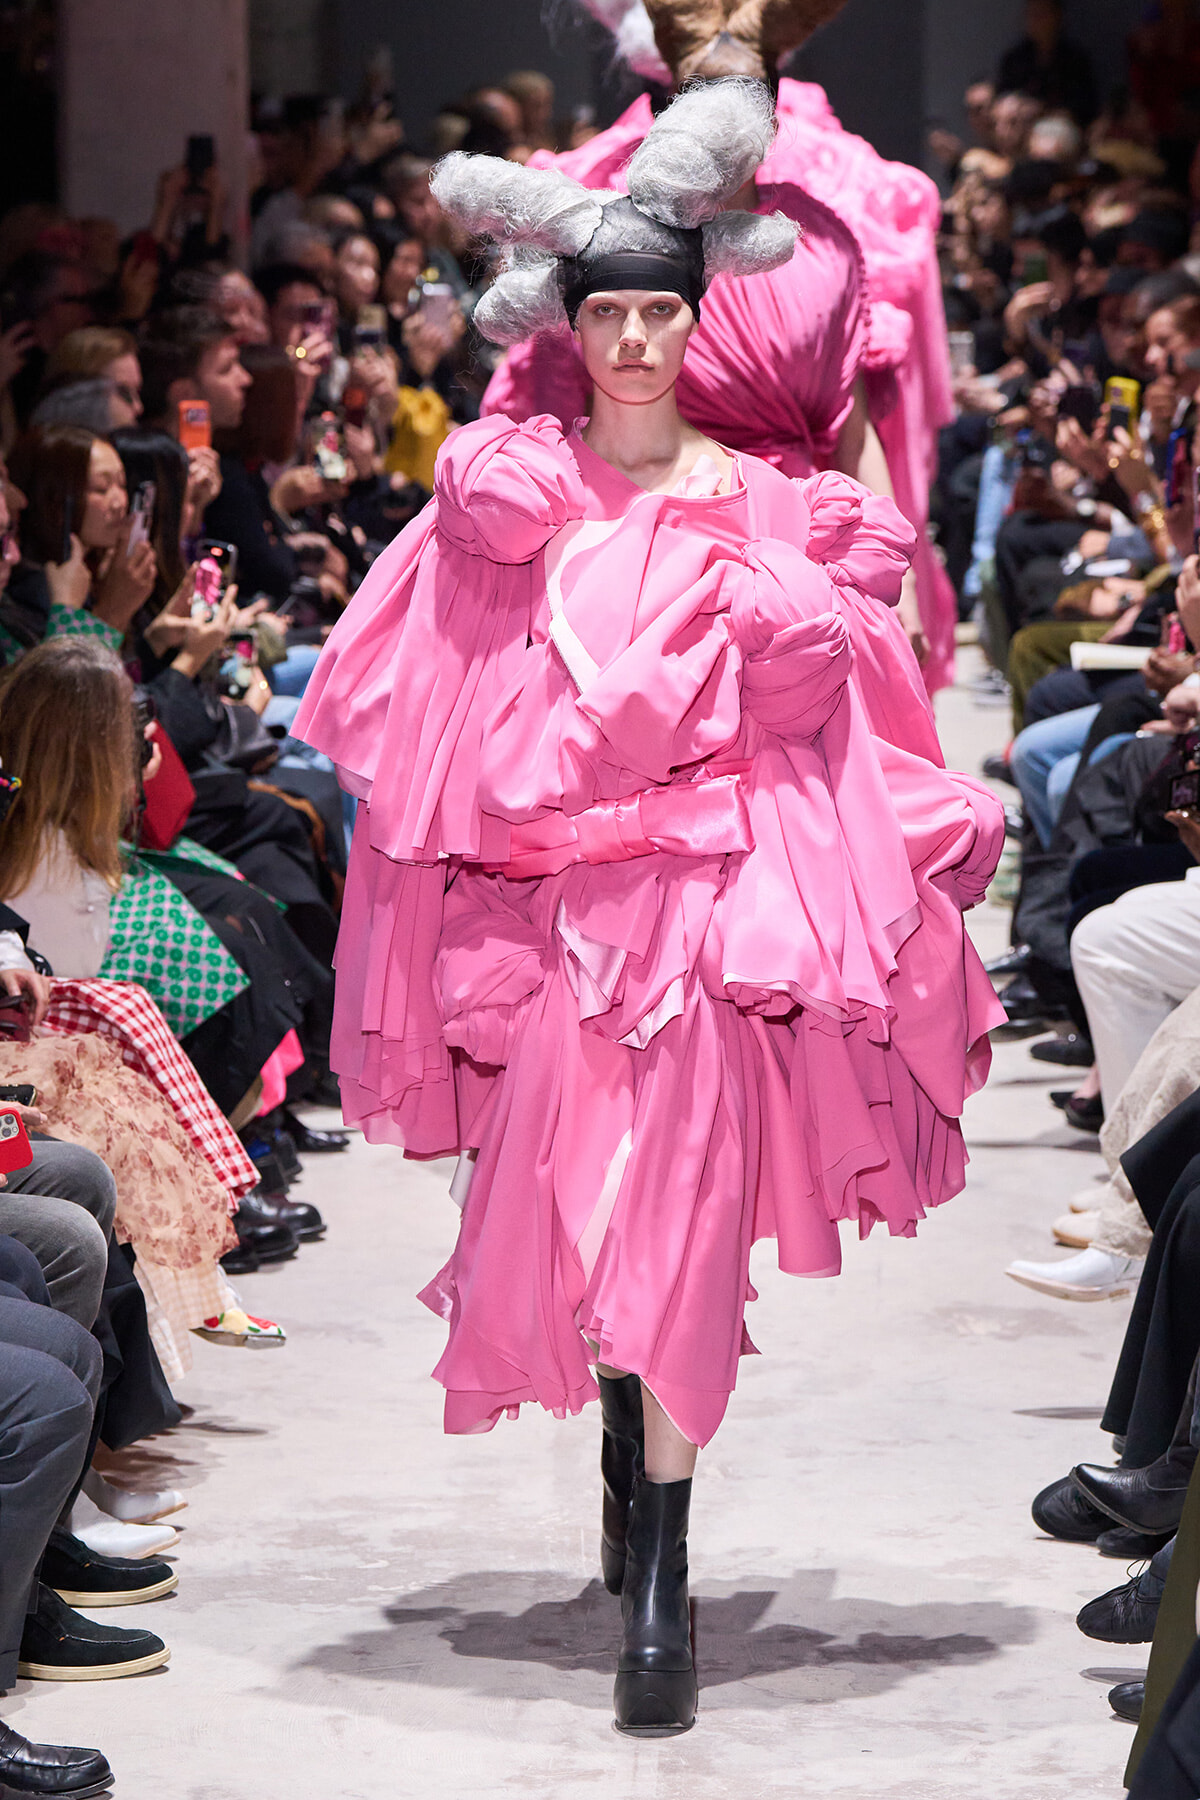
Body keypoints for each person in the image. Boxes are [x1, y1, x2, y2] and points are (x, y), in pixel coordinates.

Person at [296, 83, 1003, 1736]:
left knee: (674, 1232)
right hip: (550, 929)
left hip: (709, 926)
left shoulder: (777, 508)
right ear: (569, 325)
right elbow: (433, 727)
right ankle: (627, 1449)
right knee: (593, 1224)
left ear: (697, 319)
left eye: (656, 313)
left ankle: (665, 1578)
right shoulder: (511, 499)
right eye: (606, 313)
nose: (630, 340)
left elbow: (838, 724)